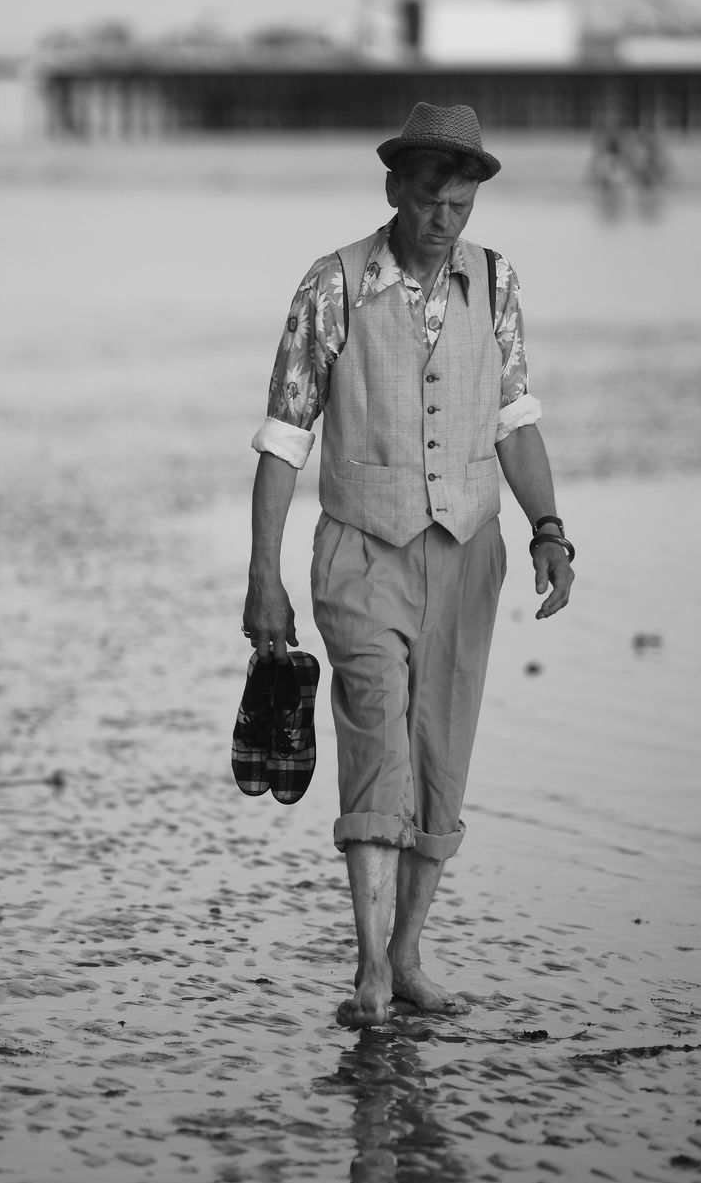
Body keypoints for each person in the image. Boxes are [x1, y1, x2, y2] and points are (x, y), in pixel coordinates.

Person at [242, 103, 575, 1027]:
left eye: (460, 205)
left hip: (469, 556)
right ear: (394, 189)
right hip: (360, 552)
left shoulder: (498, 284)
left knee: (442, 756)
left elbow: (513, 417)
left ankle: (410, 954)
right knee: (377, 747)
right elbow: (282, 438)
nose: (444, 219)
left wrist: (550, 529)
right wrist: (263, 576)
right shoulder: (334, 284)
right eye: (430, 200)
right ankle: (368, 971)